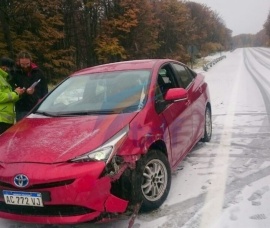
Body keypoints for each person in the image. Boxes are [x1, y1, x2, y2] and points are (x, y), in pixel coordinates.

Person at [11, 51, 48, 121]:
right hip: (22, 107)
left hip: (37, 106)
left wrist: (43, 101)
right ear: (18, 62)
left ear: (30, 61)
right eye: (22, 64)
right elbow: (12, 89)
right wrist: (25, 92)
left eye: (27, 64)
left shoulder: (38, 72)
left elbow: (44, 89)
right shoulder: (14, 72)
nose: (25, 66)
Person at [0, 57, 25, 134]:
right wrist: (15, 93)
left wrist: (18, 93)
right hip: (1, 119)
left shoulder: (3, 78)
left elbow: (9, 96)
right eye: (10, 67)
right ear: (4, 67)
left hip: (6, 119)